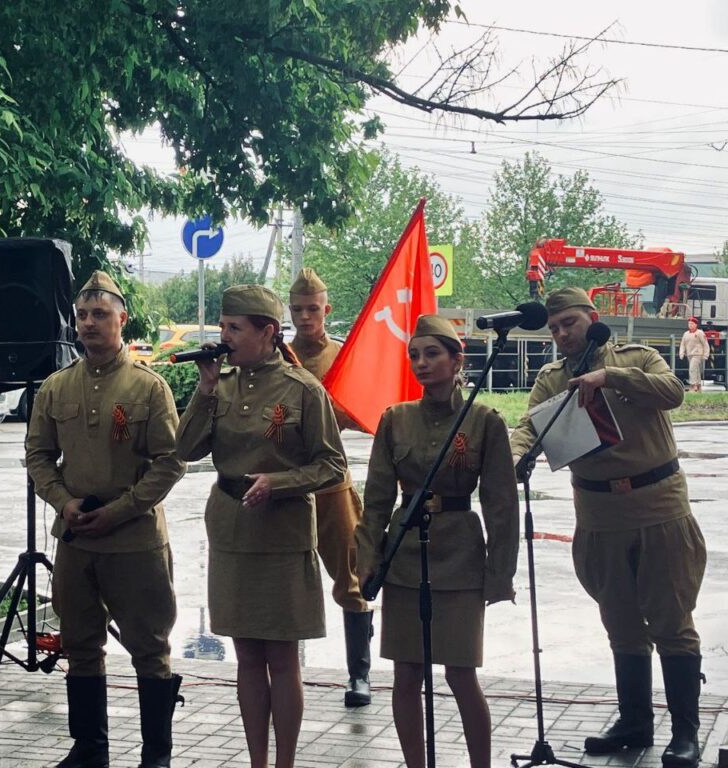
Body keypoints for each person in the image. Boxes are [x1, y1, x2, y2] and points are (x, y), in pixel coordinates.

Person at [510, 287, 707, 768]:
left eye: (570, 323)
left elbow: (673, 393)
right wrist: (515, 455)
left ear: (593, 318)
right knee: (620, 623)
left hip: (657, 508)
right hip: (599, 516)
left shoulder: (638, 358)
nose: (561, 335)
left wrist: (610, 376)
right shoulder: (552, 379)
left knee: (671, 621)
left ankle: (685, 733)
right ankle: (634, 722)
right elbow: (529, 426)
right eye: (554, 328)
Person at [175, 285, 347, 768]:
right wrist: (205, 389)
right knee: (247, 656)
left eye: (234, 328)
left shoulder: (302, 389)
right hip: (232, 530)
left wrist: (280, 482)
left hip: (282, 534)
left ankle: (284, 761)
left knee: (282, 657)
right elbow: (185, 449)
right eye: (222, 327)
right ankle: (257, 760)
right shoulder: (222, 385)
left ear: (267, 332)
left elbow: (332, 464)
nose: (224, 336)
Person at [26, 271, 186, 768]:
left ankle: (156, 755)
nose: (89, 323)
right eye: (82, 315)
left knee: (149, 647)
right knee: (80, 643)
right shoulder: (56, 387)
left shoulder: (148, 387)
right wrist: (62, 502)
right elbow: (37, 456)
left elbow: (170, 462)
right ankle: (90, 750)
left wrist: (118, 511)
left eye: (100, 314)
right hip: (77, 539)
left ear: (122, 319)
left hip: (134, 539)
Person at [354, 314, 519, 768]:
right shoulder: (396, 420)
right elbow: (376, 499)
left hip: (461, 558)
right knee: (406, 675)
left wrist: (499, 574)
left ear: (456, 360)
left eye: (431, 354)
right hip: (406, 555)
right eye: (414, 356)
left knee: (461, 675)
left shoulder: (483, 421)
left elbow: (502, 506)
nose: (421, 363)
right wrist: (368, 556)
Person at [286, 268, 374, 707]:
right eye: (297, 310)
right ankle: (283, 672)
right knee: (284, 577)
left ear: (327, 310)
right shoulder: (278, 357)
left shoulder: (344, 358)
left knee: (351, 578)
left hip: (330, 483)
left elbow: (365, 412)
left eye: (313, 309)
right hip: (285, 483)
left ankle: (359, 673)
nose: (305, 317)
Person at [678, 317, 709, 393]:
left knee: (692, 369)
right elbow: (682, 344)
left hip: (698, 354)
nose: (690, 325)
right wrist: (681, 353)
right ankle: (698, 386)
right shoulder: (686, 334)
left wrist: (706, 354)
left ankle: (693, 385)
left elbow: (705, 344)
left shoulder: (700, 333)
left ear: (696, 325)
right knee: (696, 370)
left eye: (692, 324)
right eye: (689, 324)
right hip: (689, 354)